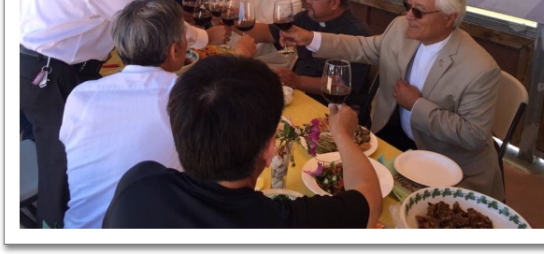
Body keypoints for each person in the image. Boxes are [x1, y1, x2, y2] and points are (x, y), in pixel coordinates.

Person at [20, 0, 230, 228]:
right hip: (51, 75)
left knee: (63, 156)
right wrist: (207, 36)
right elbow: (149, 23)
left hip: (32, 63)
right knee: (61, 167)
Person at [281, 0, 504, 201]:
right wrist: (311, 38)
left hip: (445, 161)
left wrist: (416, 105)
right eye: (407, 6)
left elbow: (473, 134)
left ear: (449, 18)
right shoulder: (401, 29)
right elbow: (364, 47)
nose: (409, 15)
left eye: (418, 11)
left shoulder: (479, 68)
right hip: (394, 136)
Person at [102, 55, 382, 228]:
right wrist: (342, 134)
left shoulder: (138, 185)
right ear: (270, 148)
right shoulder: (286, 224)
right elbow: (369, 198)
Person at [59, 0, 256, 229]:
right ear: (175, 50)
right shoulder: (183, 98)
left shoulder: (81, 96)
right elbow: (235, 113)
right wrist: (242, 60)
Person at [248, 0, 374, 127]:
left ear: (334, 3)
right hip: (299, 95)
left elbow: (340, 84)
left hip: (336, 111)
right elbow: (268, 33)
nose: (308, 0)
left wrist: (298, 81)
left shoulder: (357, 33)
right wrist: (234, 22)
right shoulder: (307, 17)